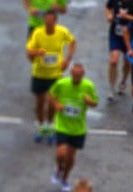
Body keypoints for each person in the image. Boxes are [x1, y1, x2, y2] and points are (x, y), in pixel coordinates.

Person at [26, 8, 76, 142]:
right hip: (39, 72)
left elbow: (72, 42)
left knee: (52, 102)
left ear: (55, 21)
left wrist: (67, 60)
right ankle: (40, 126)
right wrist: (37, 52)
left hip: (55, 73)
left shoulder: (62, 32)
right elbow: (29, 51)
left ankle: (49, 126)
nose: (48, 23)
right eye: (46, 20)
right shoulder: (37, 33)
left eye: (50, 20)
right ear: (44, 21)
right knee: (40, 102)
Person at [49, 62, 98, 191]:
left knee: (70, 158)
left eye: (79, 76)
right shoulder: (62, 83)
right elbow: (51, 95)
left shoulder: (88, 86)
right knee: (61, 153)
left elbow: (95, 102)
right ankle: (59, 168)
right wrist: (56, 105)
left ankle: (65, 178)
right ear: (71, 73)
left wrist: (89, 101)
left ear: (83, 75)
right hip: (62, 125)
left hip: (77, 128)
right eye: (74, 75)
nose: (76, 78)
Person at [105, 0, 133, 100]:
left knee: (127, 62)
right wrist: (109, 15)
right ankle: (111, 87)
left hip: (129, 36)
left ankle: (123, 81)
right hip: (115, 34)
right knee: (113, 60)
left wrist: (127, 17)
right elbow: (107, 7)